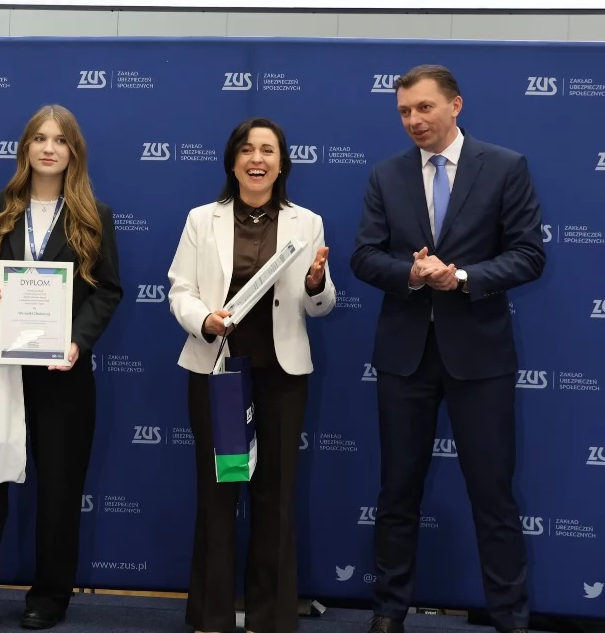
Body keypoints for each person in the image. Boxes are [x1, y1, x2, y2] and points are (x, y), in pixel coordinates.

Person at [350, 64, 544, 633]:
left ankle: (510, 616)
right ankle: (388, 611)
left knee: (493, 494)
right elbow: (365, 256)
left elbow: (530, 255)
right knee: (397, 489)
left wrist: (459, 278)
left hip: (479, 356)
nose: (414, 120)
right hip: (405, 357)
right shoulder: (387, 175)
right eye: (405, 112)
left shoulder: (505, 167)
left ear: (455, 106)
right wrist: (411, 275)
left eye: (424, 108)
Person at [0, 104, 123, 632]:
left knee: (60, 492)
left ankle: (49, 597)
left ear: (74, 151)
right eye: (40, 139)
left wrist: (77, 342)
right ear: (25, 148)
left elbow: (108, 290)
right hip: (0, 367)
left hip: (62, 372)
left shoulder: (95, 214)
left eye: (60, 140)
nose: (49, 148)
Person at [166, 117, 334, 633]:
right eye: (247, 149)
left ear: (282, 163)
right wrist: (205, 321)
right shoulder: (202, 219)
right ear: (232, 160)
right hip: (219, 372)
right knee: (219, 495)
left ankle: (272, 618)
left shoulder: (307, 222)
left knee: (275, 498)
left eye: (267, 150)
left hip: (281, 376)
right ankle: (211, 617)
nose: (256, 159)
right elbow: (179, 291)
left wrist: (316, 282)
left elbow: (321, 306)